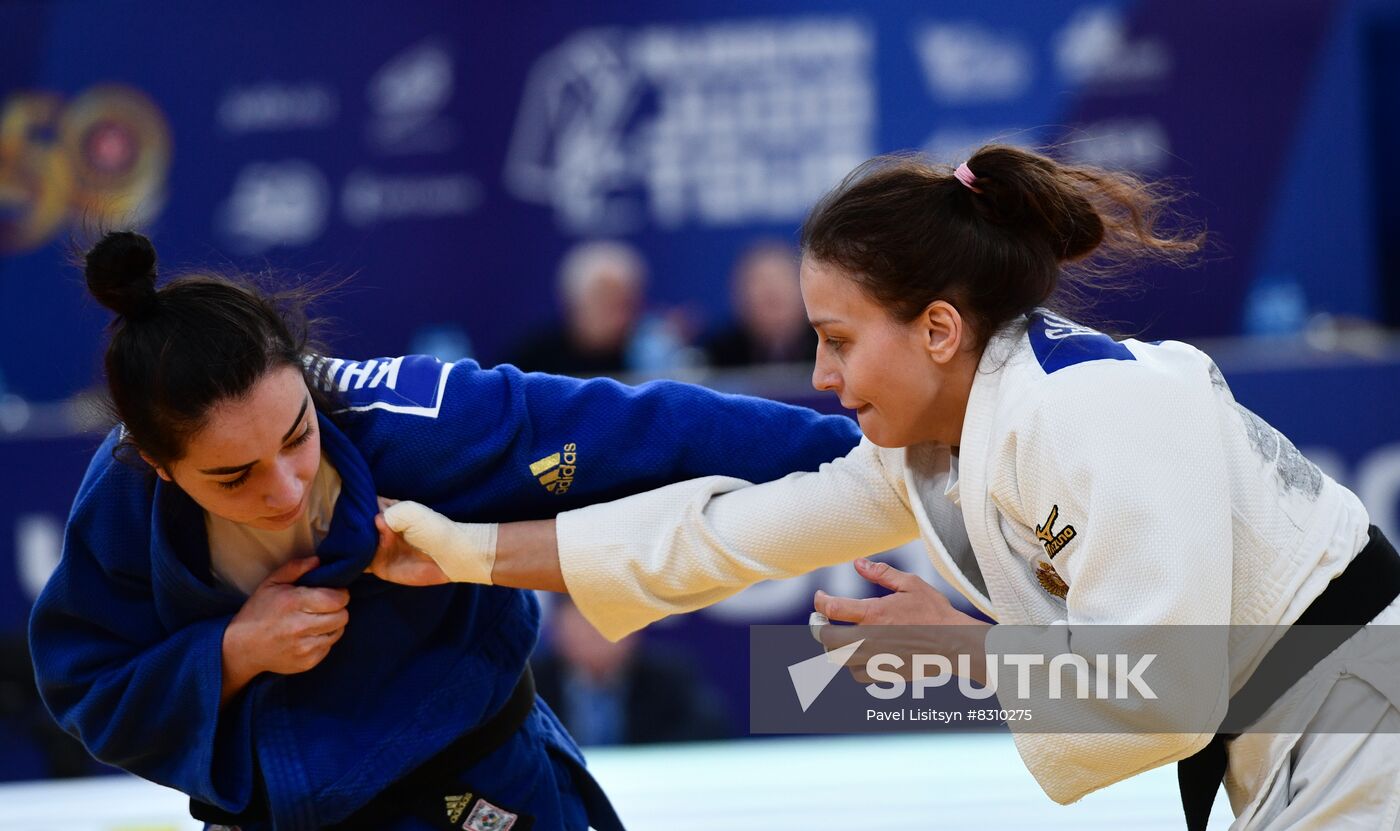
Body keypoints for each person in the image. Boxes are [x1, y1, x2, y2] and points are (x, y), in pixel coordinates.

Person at [372, 147, 1400, 830]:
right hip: (1305, 741)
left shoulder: (1090, 407)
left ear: (938, 331)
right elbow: (716, 538)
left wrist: (970, 652)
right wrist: (460, 551)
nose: (820, 376)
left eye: (836, 341)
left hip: (1365, 718)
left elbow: (1169, 695)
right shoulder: (938, 443)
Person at [26, 231, 863, 830]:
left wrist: (871, 460)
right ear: (158, 463)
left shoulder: (419, 419)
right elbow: (85, 683)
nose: (283, 488)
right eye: (232, 477)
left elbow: (650, 425)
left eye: (296, 438)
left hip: (479, 790)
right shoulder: (123, 499)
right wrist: (230, 654)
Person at [702, 241, 816, 368]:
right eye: (758, 282)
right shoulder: (718, 353)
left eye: (780, 278)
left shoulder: (828, 344)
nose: (770, 289)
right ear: (739, 295)